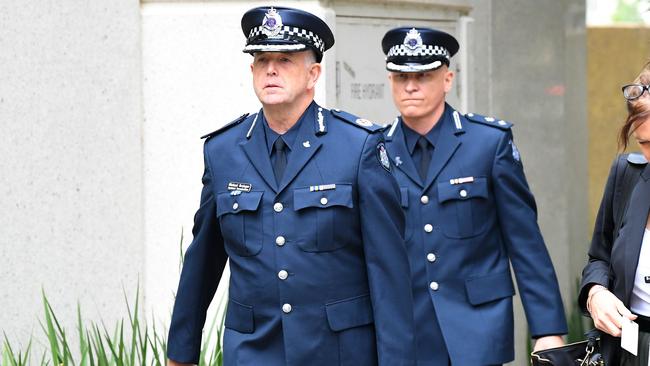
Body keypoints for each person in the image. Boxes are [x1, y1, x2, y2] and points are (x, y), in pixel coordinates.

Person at [166, 6, 416, 366]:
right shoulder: (222, 151)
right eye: (262, 59)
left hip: (339, 353)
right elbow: (202, 262)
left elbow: (389, 273)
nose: (271, 69)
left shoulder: (358, 146)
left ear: (313, 73)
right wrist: (181, 353)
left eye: (284, 59)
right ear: (251, 70)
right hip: (254, 352)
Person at [380, 27, 568, 365]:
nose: (410, 86)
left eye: (422, 75)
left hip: (477, 329)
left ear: (447, 79)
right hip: (406, 334)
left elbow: (525, 243)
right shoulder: (374, 150)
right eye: (399, 76)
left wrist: (548, 329)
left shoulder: (488, 143)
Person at [580, 61, 650, 365]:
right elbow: (600, 256)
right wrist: (596, 293)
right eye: (645, 143)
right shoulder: (628, 174)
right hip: (631, 348)